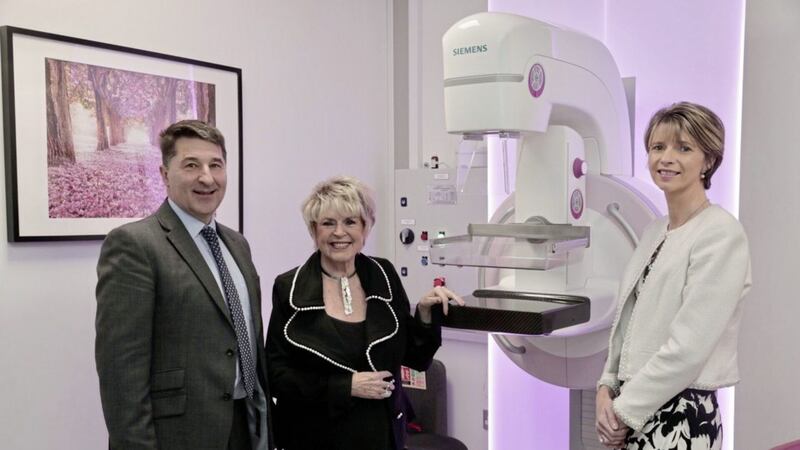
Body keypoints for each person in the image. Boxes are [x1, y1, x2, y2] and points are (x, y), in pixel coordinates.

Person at [95, 120, 272, 450]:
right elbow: (122, 373)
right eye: (191, 165)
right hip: (180, 435)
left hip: (246, 425)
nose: (207, 177)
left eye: (215, 165)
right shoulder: (135, 245)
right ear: (164, 174)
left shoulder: (237, 244)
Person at [595, 102, 751, 450]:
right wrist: (605, 389)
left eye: (684, 148)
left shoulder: (720, 234)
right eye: (658, 147)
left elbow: (688, 349)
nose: (666, 158)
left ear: (708, 161)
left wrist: (621, 411)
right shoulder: (654, 231)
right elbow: (627, 322)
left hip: (681, 415)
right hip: (632, 405)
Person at [266, 176, 463, 450]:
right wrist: (345, 386)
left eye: (350, 222)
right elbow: (276, 376)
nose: (339, 233)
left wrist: (425, 315)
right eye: (328, 223)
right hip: (313, 436)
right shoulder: (289, 287)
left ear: (366, 227)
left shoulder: (384, 275)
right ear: (314, 230)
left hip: (380, 435)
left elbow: (415, 359)